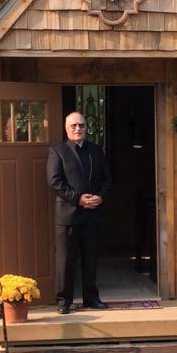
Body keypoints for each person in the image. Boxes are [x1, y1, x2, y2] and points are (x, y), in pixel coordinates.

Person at [47, 111, 113, 314]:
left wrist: (100, 197)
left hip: (92, 213)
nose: (78, 129)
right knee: (66, 260)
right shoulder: (57, 151)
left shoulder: (96, 150)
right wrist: (78, 198)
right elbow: (54, 181)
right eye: (74, 126)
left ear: (86, 127)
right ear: (66, 128)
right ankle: (64, 301)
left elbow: (108, 179)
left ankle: (91, 298)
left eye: (81, 125)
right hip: (68, 215)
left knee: (90, 258)